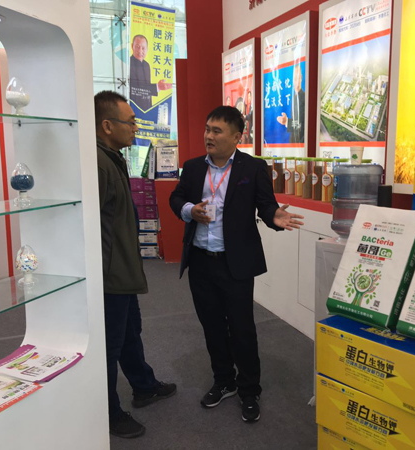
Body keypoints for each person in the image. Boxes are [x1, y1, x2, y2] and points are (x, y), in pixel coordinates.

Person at [169, 106, 304, 423]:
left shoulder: (252, 168)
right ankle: (224, 381)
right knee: (212, 327)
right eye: (207, 129)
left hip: (235, 264)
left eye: (216, 131)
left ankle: (249, 389)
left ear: (236, 136)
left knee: (242, 329)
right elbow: (176, 198)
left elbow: (266, 204)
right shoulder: (193, 168)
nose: (209, 136)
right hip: (201, 262)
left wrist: (274, 216)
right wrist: (189, 210)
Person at [95, 91, 176, 439]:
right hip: (110, 275)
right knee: (110, 346)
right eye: (129, 122)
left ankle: (143, 385)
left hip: (124, 269)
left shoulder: (113, 157)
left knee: (130, 333)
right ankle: (109, 413)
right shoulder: (98, 164)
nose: (135, 128)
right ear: (107, 125)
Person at [129, 34, 171, 111]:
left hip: (147, 109)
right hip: (133, 108)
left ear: (147, 49)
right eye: (137, 47)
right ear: (132, 46)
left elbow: (147, 88)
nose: (140, 51)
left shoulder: (147, 65)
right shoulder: (128, 64)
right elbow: (135, 87)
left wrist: (150, 109)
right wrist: (157, 87)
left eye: (143, 48)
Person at [277, 63, 305, 144]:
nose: (296, 82)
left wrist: (287, 122)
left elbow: (301, 125)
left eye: (298, 78)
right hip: (293, 142)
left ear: (301, 78)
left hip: (301, 143)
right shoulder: (294, 97)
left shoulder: (304, 98)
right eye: (294, 79)